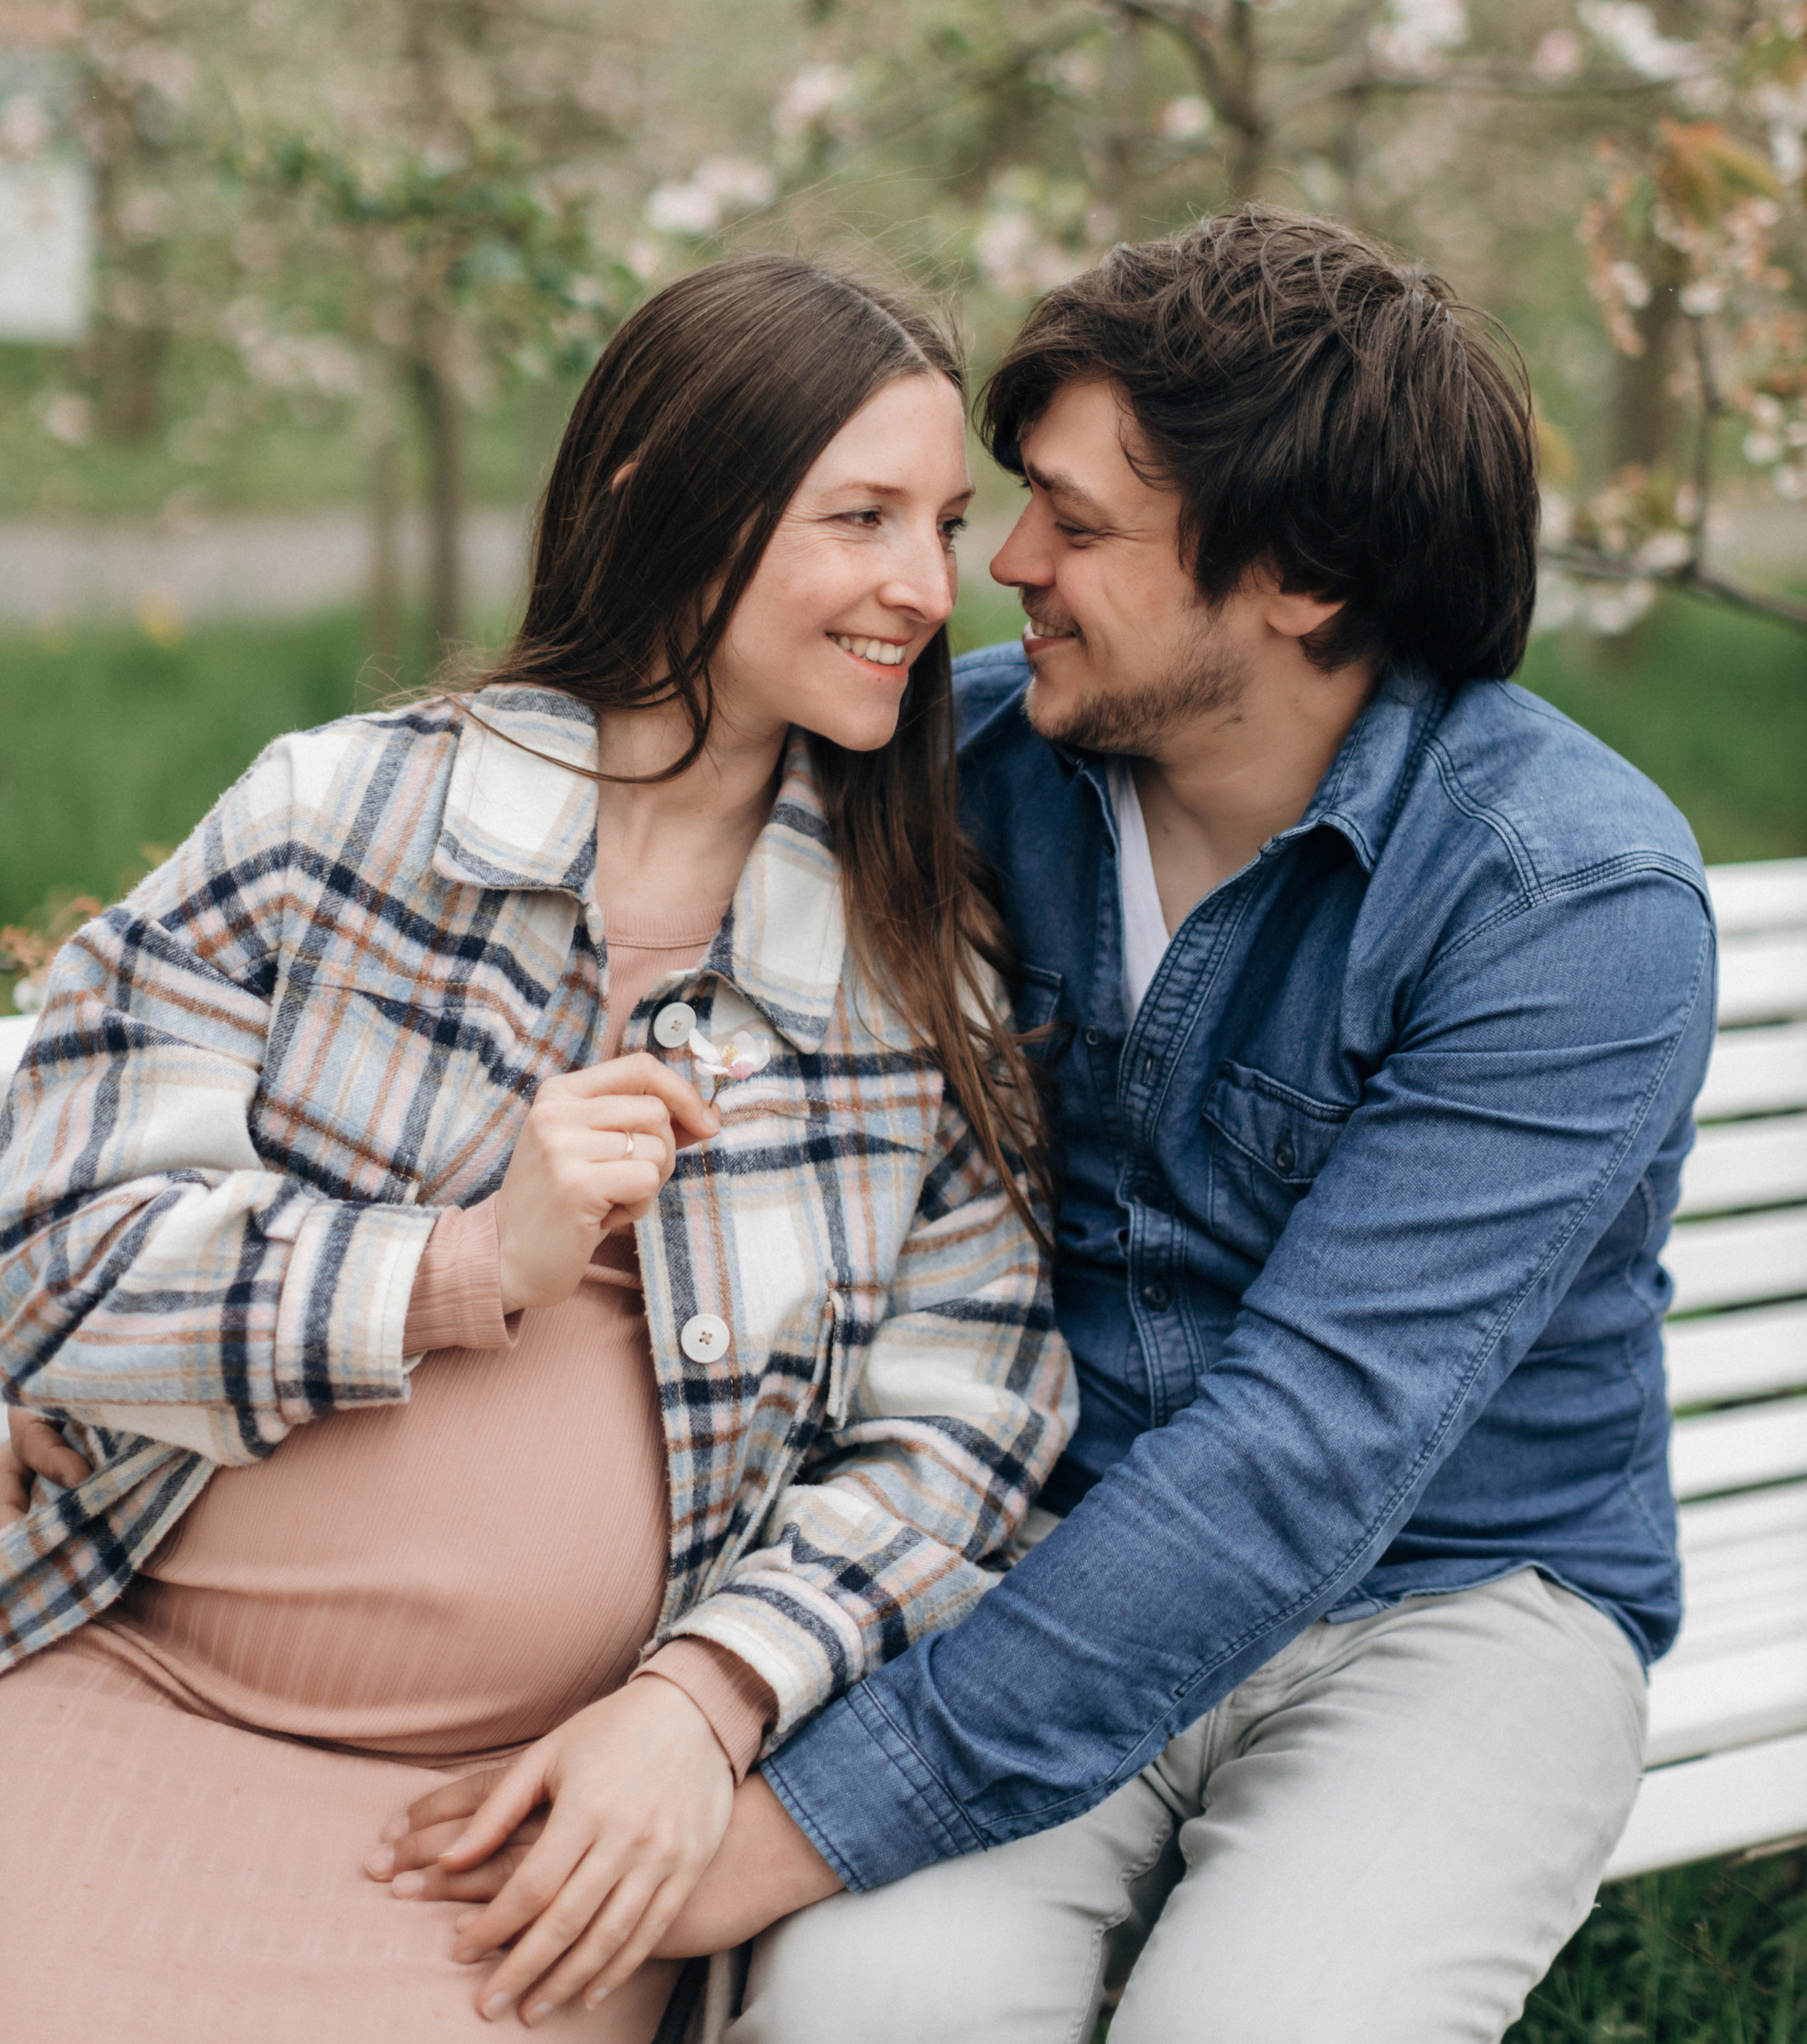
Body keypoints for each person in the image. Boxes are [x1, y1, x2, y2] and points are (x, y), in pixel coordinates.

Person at [375, 205, 1715, 2044]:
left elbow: (1310, 1458)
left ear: (1302, 576)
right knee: (863, 2018)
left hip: (1452, 1606)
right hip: (1021, 1558)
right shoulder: (960, 769)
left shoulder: (1562, 900)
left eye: (1076, 524)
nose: (998, 564)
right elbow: (528, 894)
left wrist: (785, 1831)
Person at [0, 253, 1074, 2042]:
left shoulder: (915, 975)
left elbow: (973, 1427)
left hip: (519, 1816)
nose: (920, 586)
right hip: (124, 1673)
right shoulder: (334, 824)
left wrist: (713, 1697)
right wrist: (464, 1264)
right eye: (861, 516)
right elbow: (55, 1252)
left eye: (944, 523)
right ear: (671, 502)